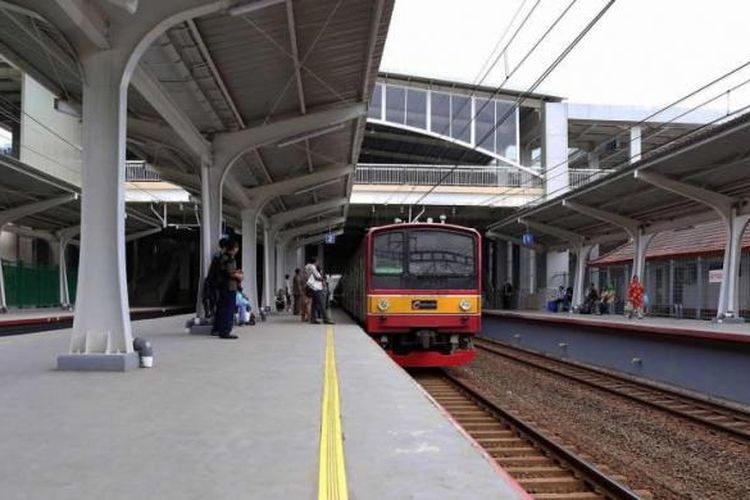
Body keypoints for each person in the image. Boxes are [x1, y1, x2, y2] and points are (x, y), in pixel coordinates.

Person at [212, 239, 244, 339]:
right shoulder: (229, 258)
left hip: (222, 286)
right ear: (233, 248)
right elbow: (230, 273)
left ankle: (217, 329)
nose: (237, 249)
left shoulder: (221, 256)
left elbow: (225, 271)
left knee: (221, 308)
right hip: (229, 287)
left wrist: (236, 272)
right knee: (228, 309)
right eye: (236, 247)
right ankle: (225, 331)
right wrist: (239, 276)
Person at [306, 258, 333, 325]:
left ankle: (313, 319)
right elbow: (316, 277)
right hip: (317, 288)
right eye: (318, 262)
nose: (318, 263)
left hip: (313, 288)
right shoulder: (312, 267)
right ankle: (326, 319)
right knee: (322, 304)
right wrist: (323, 280)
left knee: (314, 305)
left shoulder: (308, 267)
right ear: (315, 262)